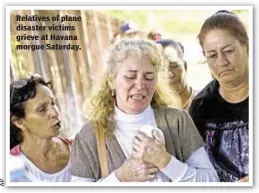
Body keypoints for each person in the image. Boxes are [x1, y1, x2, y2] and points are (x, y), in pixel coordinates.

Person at [70, 39, 219, 182]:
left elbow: (211, 181)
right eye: (130, 76)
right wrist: (120, 177)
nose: (140, 85)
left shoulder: (177, 121)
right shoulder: (89, 136)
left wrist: (165, 162)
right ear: (111, 80)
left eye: (149, 77)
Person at [189, 10, 249, 182]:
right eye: (212, 55)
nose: (222, 62)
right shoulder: (201, 106)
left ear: (247, 46)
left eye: (229, 51)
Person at [10, 74, 72, 182]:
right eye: (41, 109)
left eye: (53, 103)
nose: (54, 112)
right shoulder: (10, 167)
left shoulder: (78, 149)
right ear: (19, 122)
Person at [157, 39, 199, 110]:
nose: (169, 73)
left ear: (185, 66)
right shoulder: (149, 109)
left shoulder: (204, 102)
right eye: (162, 69)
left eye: (174, 66)